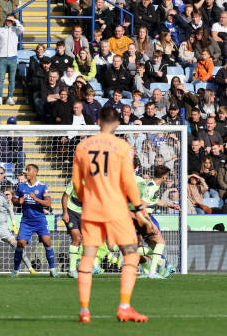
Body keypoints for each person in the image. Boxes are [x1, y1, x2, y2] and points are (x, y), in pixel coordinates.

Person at [72, 107, 150, 323]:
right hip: (116, 209)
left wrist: (84, 199)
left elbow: (77, 183)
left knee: (87, 256)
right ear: (117, 123)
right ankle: (124, 306)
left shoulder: (82, 147)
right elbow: (128, 181)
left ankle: (84, 310)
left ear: (98, 122)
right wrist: (138, 207)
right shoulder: (122, 147)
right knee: (131, 254)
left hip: (91, 209)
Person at [12, 164, 58, 278]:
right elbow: (14, 199)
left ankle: (52, 269)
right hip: (26, 221)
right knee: (20, 243)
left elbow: (48, 203)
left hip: (40, 220)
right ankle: (16, 270)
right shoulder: (21, 186)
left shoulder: (42, 187)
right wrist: (19, 201)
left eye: (28, 170)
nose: (26, 172)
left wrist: (36, 199)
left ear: (35, 172)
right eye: (26, 170)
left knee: (47, 241)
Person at [137, 165, 181, 278]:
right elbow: (143, 205)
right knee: (160, 242)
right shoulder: (150, 187)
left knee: (153, 245)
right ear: (164, 177)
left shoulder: (155, 185)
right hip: (145, 217)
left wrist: (170, 205)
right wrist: (150, 223)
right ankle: (155, 270)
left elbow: (156, 200)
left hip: (145, 216)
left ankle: (163, 266)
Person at [0, 14, 24, 105]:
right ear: (5, 20)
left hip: (13, 58)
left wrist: (16, 21)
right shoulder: (0, 30)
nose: (9, 22)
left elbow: (22, 29)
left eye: (11, 20)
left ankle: (10, 97)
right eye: (8, 20)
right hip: (2, 58)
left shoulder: (16, 29)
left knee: (11, 79)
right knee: (1, 79)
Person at [62, 180, 83, 279]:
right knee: (76, 238)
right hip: (71, 211)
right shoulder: (76, 180)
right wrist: (65, 212)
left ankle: (92, 265)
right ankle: (72, 270)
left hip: (85, 212)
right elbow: (65, 196)